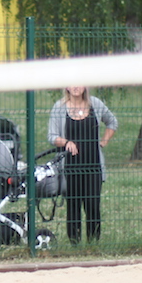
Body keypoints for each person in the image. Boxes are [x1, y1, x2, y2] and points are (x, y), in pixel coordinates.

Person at [48, 85, 118, 245]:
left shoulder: (95, 104)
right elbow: (52, 136)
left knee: (93, 206)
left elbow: (112, 122)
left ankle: (93, 243)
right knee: (73, 207)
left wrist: (103, 141)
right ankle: (75, 244)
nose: (76, 86)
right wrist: (66, 142)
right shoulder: (59, 107)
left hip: (93, 166)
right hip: (70, 167)